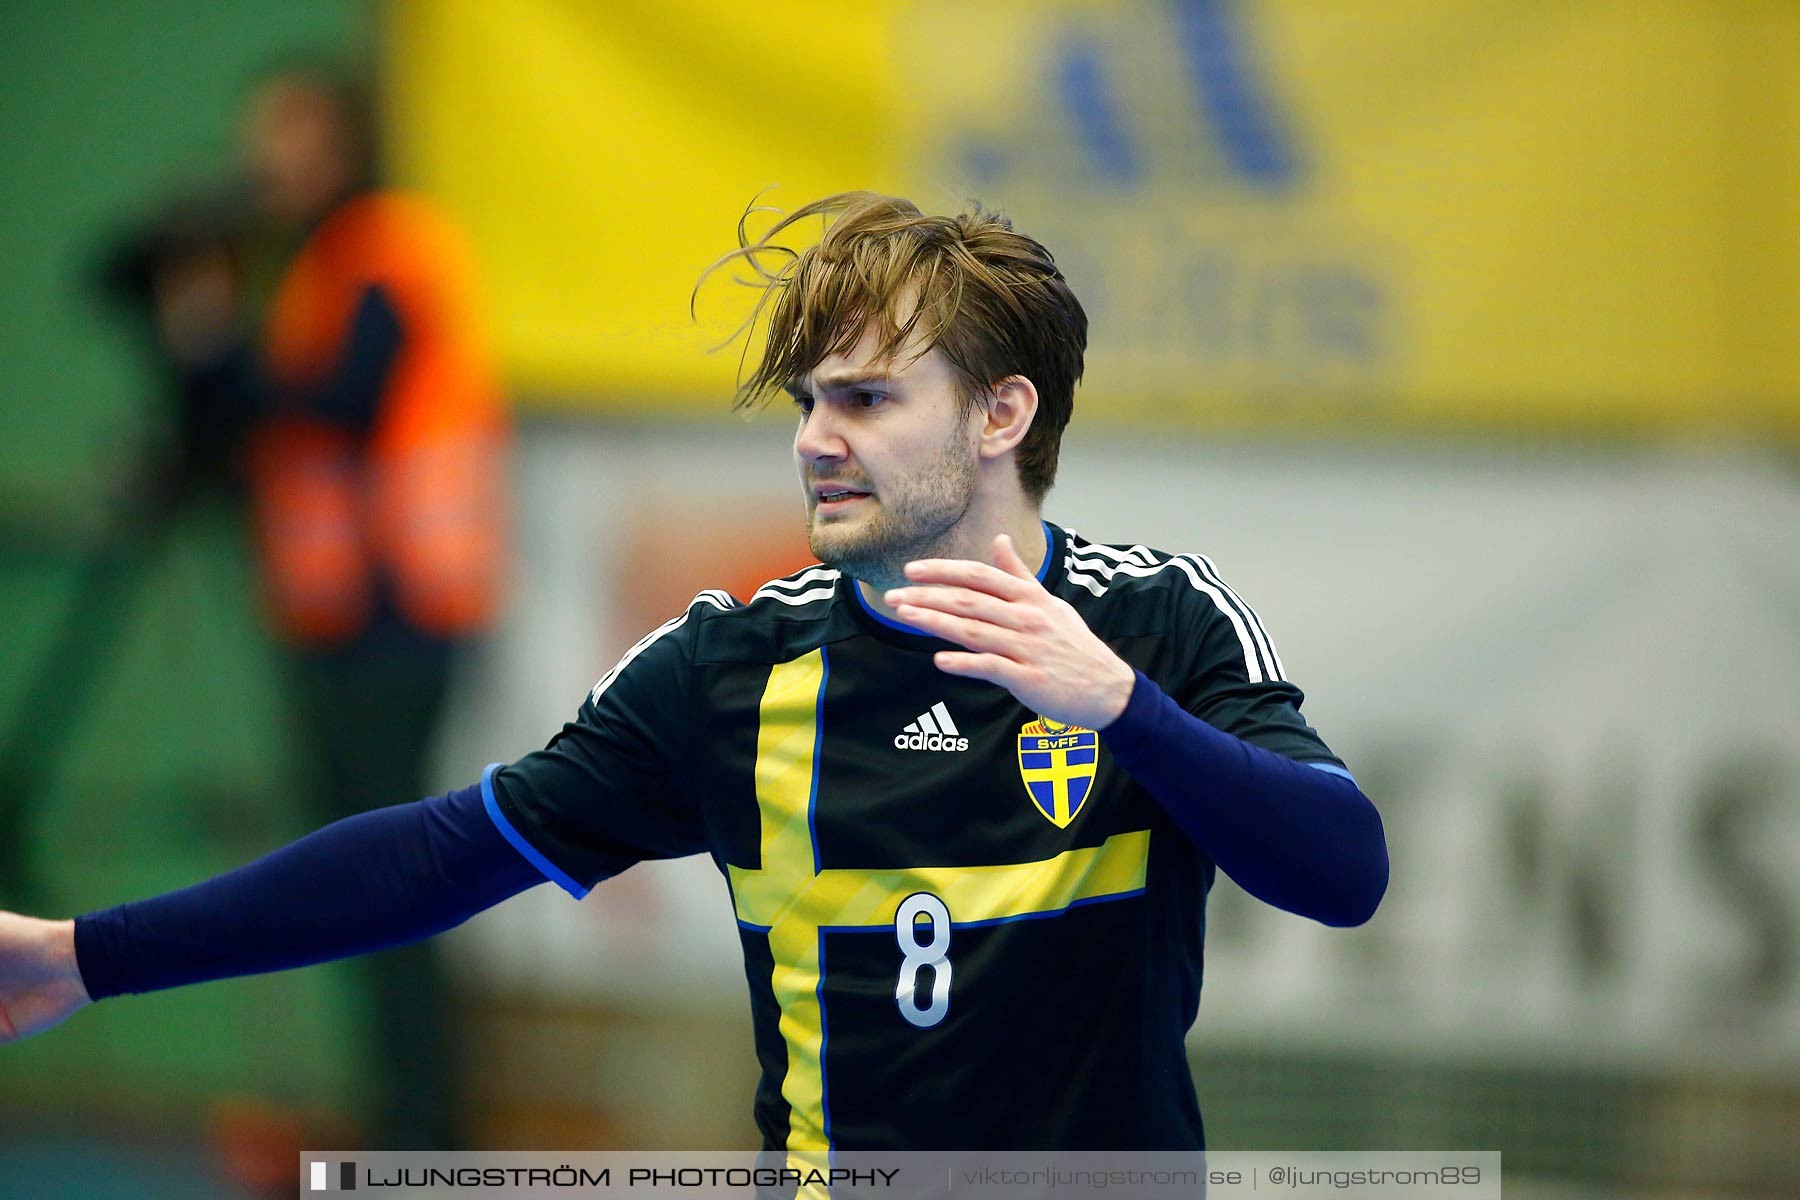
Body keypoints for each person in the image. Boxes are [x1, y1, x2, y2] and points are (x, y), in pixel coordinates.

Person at [0, 193, 1385, 1154]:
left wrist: (1128, 715)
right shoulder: (729, 671)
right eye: (806, 404)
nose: (815, 441)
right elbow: (432, 859)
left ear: (1000, 416)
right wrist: (83, 959)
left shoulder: (1155, 625)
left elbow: (1343, 874)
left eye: (865, 398)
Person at [141, 62, 510, 1151]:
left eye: (286, 135)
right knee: (354, 877)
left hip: (401, 614)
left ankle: (424, 1135)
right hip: (332, 616)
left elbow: (342, 396)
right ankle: (396, 1121)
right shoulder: (306, 268)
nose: (263, 161)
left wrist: (218, 347)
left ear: (345, 141)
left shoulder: (386, 249)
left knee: (394, 874)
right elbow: (240, 432)